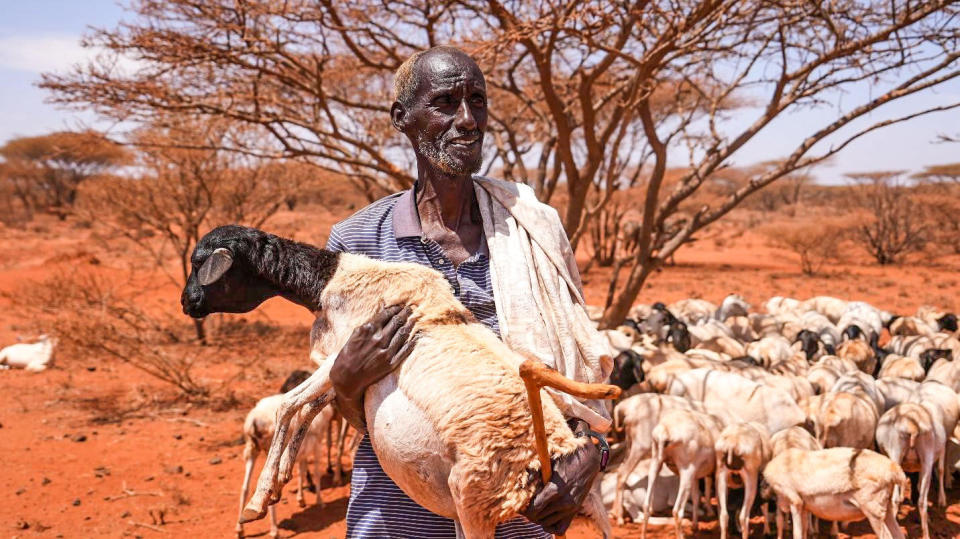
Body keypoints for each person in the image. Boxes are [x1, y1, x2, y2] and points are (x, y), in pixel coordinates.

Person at [326, 46, 610, 538]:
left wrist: (593, 457)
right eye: (445, 102)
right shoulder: (357, 243)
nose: (467, 120)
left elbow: (582, 377)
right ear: (402, 118)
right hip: (397, 522)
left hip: (521, 519)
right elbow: (342, 406)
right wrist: (345, 378)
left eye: (477, 102)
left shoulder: (534, 230)